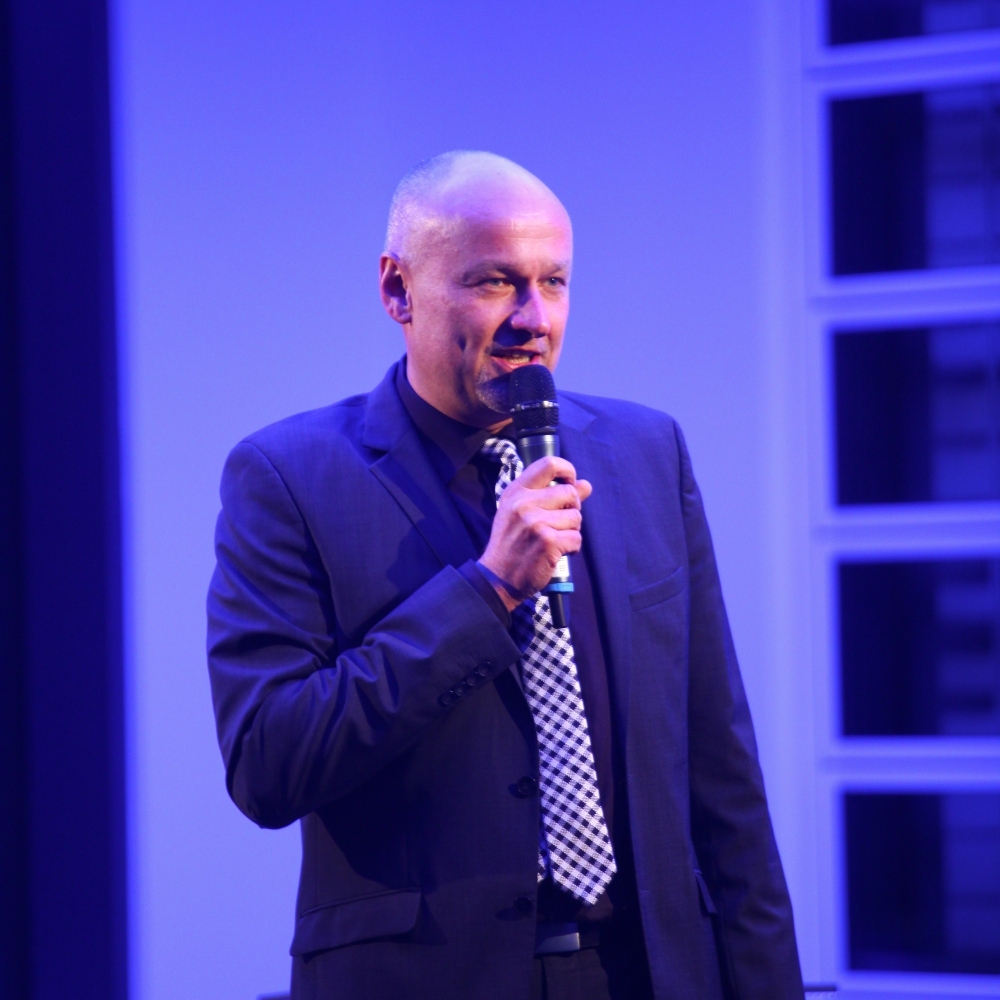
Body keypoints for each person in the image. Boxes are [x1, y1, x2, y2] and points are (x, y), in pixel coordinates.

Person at [207, 151, 804, 1000]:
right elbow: (268, 763)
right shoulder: (289, 477)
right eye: (495, 282)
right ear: (398, 290)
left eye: (553, 282)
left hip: (645, 973)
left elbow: (724, 774)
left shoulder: (646, 452)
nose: (534, 318)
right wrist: (488, 590)